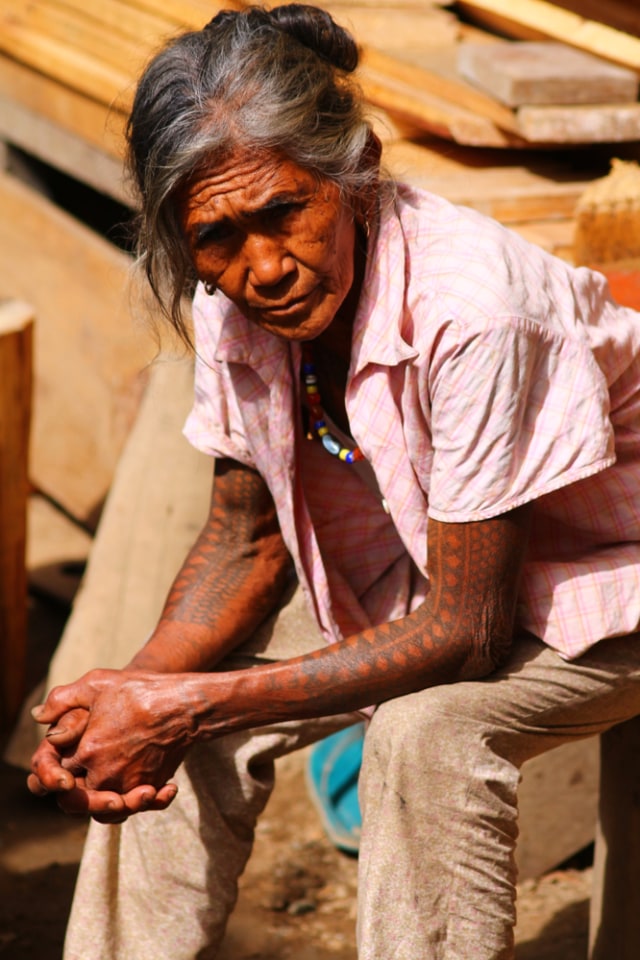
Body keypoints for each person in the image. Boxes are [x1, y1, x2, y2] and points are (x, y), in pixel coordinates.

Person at [27, 4, 640, 959]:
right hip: (433, 556)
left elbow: (468, 634)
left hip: (605, 574)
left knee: (422, 735)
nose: (263, 268)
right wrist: (131, 699)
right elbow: (247, 540)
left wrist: (188, 702)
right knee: (161, 717)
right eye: (218, 238)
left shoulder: (472, 307)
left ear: (355, 171)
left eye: (284, 213)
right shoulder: (234, 302)